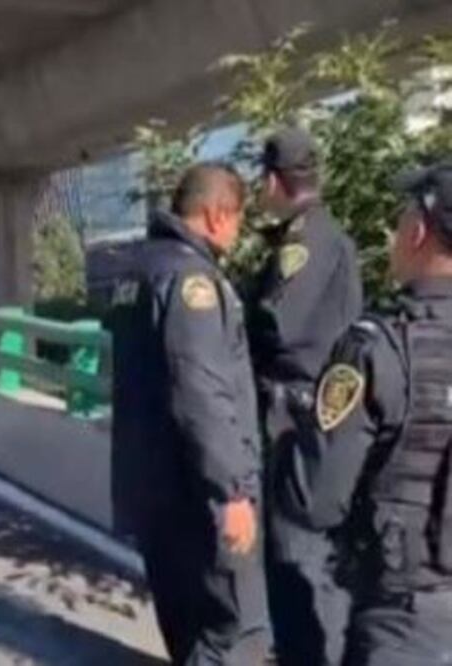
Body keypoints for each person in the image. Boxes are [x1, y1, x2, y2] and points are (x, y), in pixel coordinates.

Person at [279, 162, 452, 665]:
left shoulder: (376, 347)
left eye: (401, 219)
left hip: (403, 619)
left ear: (418, 231)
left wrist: (294, 435)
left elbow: (314, 499)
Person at [109, 163, 270, 664]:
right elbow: (200, 392)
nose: (239, 233)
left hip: (151, 492)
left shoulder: (138, 271)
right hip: (196, 498)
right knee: (235, 633)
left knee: (187, 630)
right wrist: (233, 491)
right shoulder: (191, 282)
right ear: (218, 215)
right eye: (239, 220)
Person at [246, 128, 363, 665]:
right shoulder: (324, 235)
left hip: (295, 420)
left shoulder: (305, 241)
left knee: (297, 566)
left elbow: (277, 322)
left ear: (273, 181)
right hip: (312, 414)